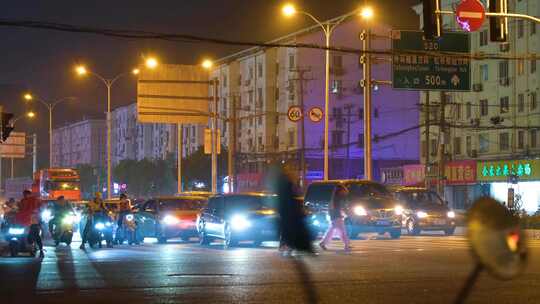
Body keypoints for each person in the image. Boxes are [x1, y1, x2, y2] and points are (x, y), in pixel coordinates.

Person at [319, 185, 351, 251]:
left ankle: (323, 243)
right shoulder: (336, 198)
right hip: (336, 217)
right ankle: (346, 245)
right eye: (343, 190)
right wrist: (340, 215)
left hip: (335, 216)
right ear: (340, 191)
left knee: (331, 230)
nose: (344, 192)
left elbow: (335, 208)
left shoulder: (336, 197)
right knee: (342, 231)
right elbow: (334, 208)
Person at [14, 190, 44, 257]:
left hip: (34, 222)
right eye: (24, 195)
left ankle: (41, 249)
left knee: (36, 235)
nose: (25, 196)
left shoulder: (35, 200)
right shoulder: (22, 201)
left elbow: (41, 206)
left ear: (29, 194)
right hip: (23, 222)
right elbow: (19, 209)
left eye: (26, 194)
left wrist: (37, 211)